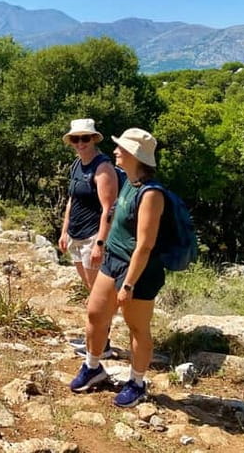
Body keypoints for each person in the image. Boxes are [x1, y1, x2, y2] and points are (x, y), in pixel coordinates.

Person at [69, 128, 166, 408]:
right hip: (113, 261)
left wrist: (129, 284)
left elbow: (145, 246)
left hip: (139, 271)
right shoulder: (128, 182)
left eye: (120, 149)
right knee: (95, 313)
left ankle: (136, 383)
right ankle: (93, 367)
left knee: (137, 328)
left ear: (135, 156)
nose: (115, 152)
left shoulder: (151, 194)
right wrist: (101, 243)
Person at [58, 119, 119, 357]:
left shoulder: (103, 168)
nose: (80, 143)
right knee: (91, 290)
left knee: (98, 295)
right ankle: (94, 339)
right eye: (76, 139)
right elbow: (72, 200)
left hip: (93, 236)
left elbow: (109, 209)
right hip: (75, 235)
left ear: (94, 139)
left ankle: (100, 344)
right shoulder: (76, 166)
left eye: (85, 138)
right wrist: (64, 231)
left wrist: (100, 244)